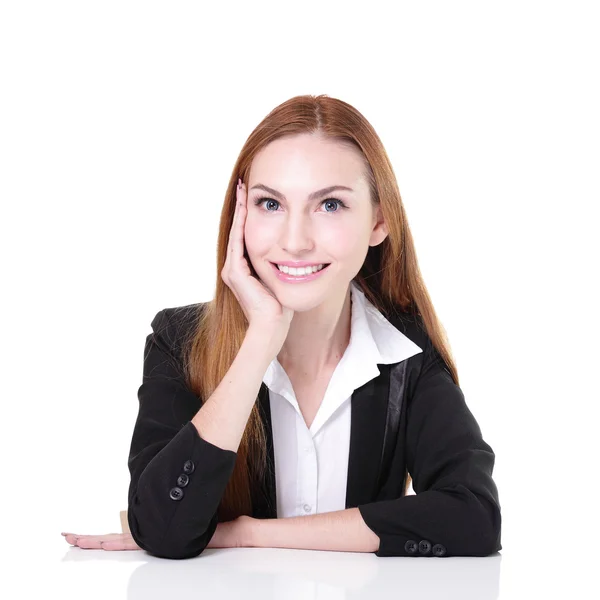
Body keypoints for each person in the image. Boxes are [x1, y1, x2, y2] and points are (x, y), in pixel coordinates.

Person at [62, 94, 501, 559]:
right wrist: (259, 343)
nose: (294, 241)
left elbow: (473, 518)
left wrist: (243, 532)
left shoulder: (407, 356)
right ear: (240, 216)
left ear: (379, 220)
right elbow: (163, 530)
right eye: (270, 203)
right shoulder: (179, 342)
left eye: (330, 205)